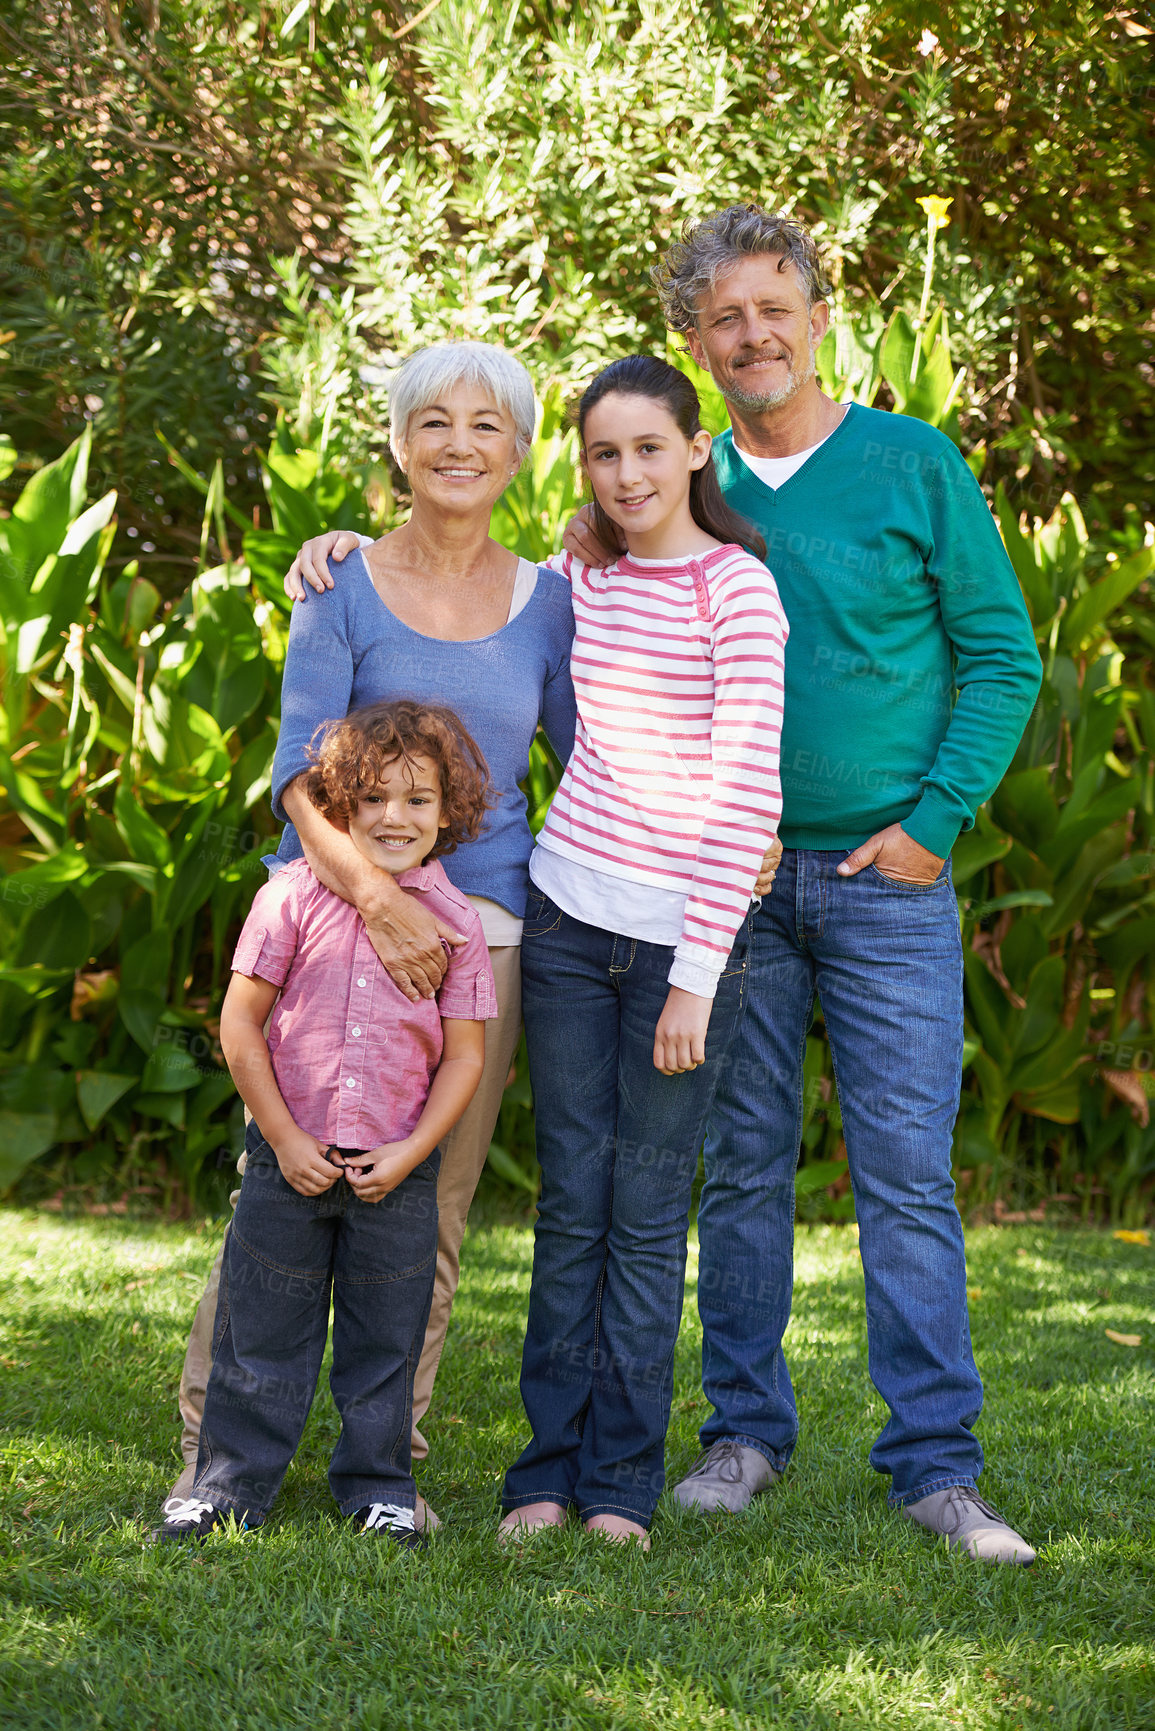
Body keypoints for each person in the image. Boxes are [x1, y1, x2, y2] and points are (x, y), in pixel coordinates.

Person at [563, 206, 1044, 1564]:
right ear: (693, 342)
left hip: (884, 877)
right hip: (727, 890)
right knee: (741, 1168)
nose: (752, 335)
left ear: (819, 314)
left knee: (901, 1174)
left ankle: (935, 1464)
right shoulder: (676, 478)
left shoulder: (910, 463)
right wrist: (349, 562)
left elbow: (997, 656)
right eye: (722, 318)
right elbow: (542, 598)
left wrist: (930, 823)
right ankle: (743, 1433)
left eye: (773, 307)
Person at [163, 342, 577, 1532]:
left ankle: (386, 1463)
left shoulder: (549, 599)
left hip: (479, 929)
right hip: (328, 922)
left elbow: (584, 757)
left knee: (428, 1202)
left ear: (519, 450)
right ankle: (209, 1450)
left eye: (487, 425)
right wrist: (380, 903)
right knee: (276, 1194)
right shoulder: (337, 582)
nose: (459, 444)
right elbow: (300, 773)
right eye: (433, 422)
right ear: (397, 444)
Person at [497, 355, 789, 1549]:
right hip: (567, 922)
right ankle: (541, 1474)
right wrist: (343, 553)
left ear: (695, 453)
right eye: (604, 454)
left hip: (684, 948)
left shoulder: (738, 591)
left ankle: (619, 1481)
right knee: (572, 1204)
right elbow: (469, 590)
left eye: (648, 450)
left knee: (647, 1210)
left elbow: (745, 794)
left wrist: (696, 976)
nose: (627, 474)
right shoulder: (579, 574)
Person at [155, 701, 496, 1547]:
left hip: (397, 1169)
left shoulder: (456, 924)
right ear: (339, 804)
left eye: (418, 800)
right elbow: (239, 1026)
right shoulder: (291, 900)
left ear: (450, 811)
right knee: (259, 1332)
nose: (393, 817)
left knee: (385, 1341)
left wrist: (413, 1151)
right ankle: (225, 1484)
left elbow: (463, 1059)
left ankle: (379, 1486)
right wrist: (282, 1137)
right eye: (373, 797)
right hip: (287, 1162)